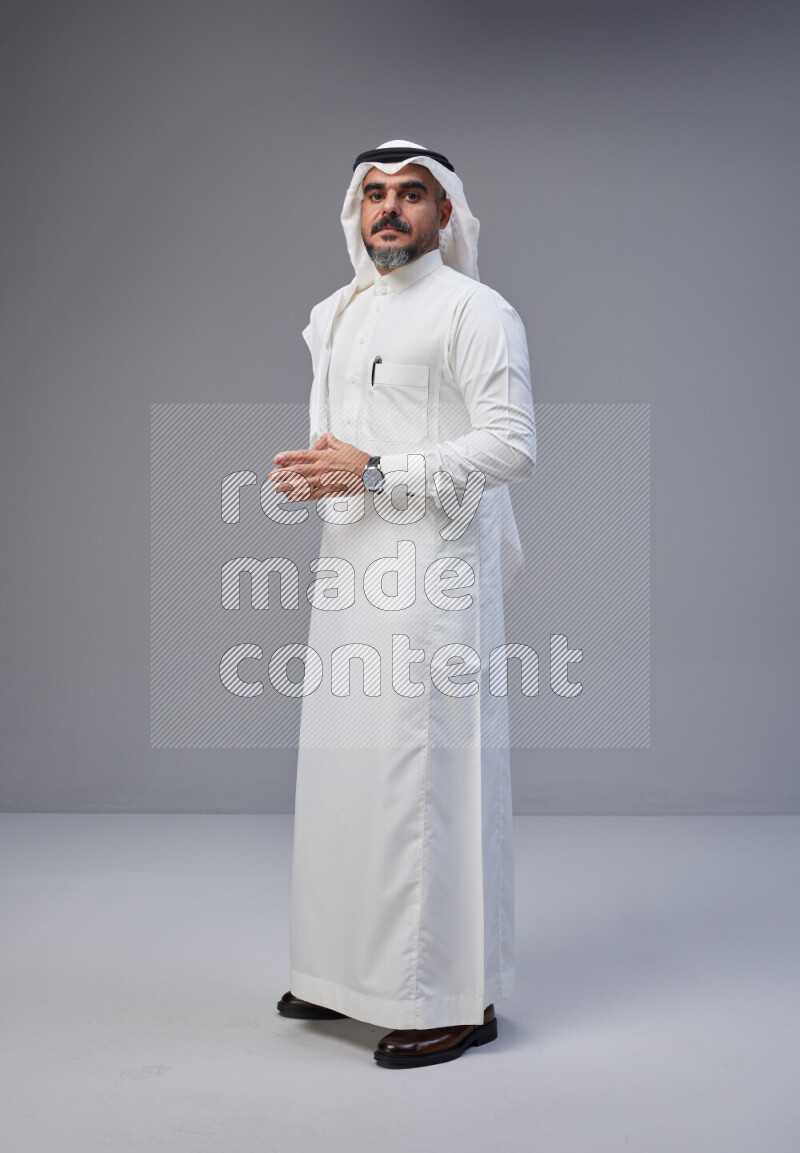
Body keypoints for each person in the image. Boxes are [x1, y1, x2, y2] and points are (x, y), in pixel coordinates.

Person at [269, 140, 536, 1068]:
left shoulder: (475, 310)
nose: (391, 208)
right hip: (351, 569)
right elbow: (343, 439)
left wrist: (379, 471)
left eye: (411, 194)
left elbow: (512, 445)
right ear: (358, 210)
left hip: (435, 577)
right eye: (375, 193)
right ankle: (344, 974)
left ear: (445, 212)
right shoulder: (336, 312)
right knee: (344, 776)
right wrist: (325, 475)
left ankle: (451, 995)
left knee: (426, 781)